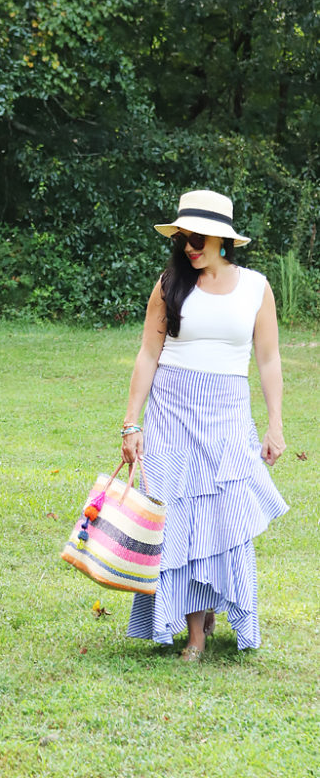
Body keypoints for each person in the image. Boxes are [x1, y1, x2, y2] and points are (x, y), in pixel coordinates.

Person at [120, 189, 288, 661]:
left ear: (222, 239)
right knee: (182, 516)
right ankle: (193, 631)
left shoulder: (256, 286)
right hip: (173, 409)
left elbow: (269, 358)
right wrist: (130, 423)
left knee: (224, 514)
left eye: (198, 237)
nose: (189, 245)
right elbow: (148, 354)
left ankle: (217, 606)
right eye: (183, 237)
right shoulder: (171, 283)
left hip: (229, 410)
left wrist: (274, 423)